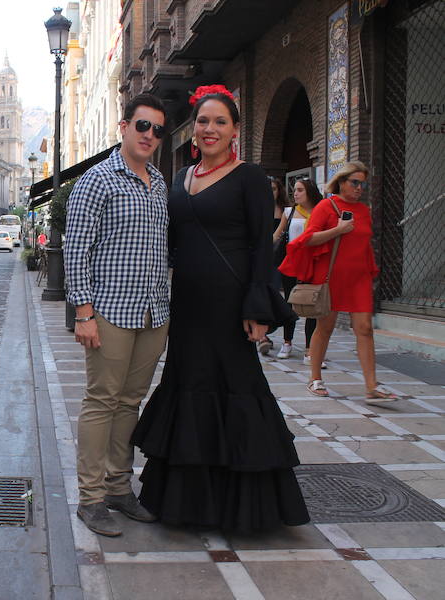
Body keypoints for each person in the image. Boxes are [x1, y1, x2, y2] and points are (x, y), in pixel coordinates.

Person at [130, 84, 308, 533]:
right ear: (194, 129)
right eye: (204, 121)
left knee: (236, 389)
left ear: (235, 131)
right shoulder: (180, 178)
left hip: (230, 306)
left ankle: (244, 507)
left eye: (220, 122)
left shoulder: (250, 178)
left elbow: (260, 247)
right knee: (188, 385)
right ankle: (187, 503)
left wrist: (258, 307)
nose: (210, 129)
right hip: (188, 305)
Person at [64, 93, 171, 537]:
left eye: (158, 130)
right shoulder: (98, 179)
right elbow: (76, 248)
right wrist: (83, 312)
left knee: (130, 402)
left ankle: (118, 488)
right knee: (102, 400)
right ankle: (90, 498)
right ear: (124, 127)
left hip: (153, 311)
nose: (150, 135)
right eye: (142, 126)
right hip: (109, 310)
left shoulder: (159, 183)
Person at [280, 161, 397, 403]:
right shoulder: (326, 206)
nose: (359, 188)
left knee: (365, 329)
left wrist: (370, 271)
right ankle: (315, 378)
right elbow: (308, 239)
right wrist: (338, 230)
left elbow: (364, 244)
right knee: (325, 327)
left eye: (363, 184)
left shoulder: (363, 210)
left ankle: (371, 386)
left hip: (358, 278)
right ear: (341, 182)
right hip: (330, 277)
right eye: (355, 182)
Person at [272, 179, 324, 365]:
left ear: (310, 191)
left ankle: (310, 349)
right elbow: (277, 235)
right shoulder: (289, 212)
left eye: (300, 190)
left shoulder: (320, 212)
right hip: (292, 263)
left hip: (313, 263)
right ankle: (287, 342)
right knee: (290, 302)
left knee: (312, 305)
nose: (295, 193)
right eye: (295, 190)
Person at [257, 176, 290, 354]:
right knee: (262, 294)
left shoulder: (286, 211)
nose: (271, 193)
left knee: (273, 295)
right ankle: (262, 336)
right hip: (259, 258)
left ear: (279, 191)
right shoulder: (256, 208)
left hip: (278, 259)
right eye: (268, 189)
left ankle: (267, 332)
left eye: (274, 189)